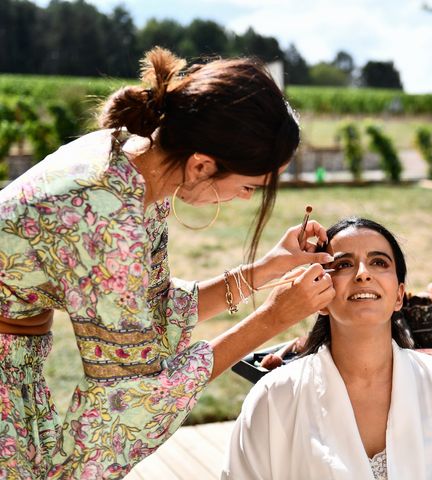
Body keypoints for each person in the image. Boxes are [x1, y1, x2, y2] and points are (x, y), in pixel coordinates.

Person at [0, 47, 335, 479]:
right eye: (250, 185)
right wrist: (273, 319)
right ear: (201, 164)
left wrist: (266, 270)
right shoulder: (109, 215)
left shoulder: (131, 162)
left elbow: (152, 308)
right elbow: (130, 401)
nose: (247, 197)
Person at [222, 217, 432, 480]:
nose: (362, 274)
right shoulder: (275, 398)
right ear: (320, 296)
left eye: (379, 263)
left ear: (399, 296)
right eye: (344, 264)